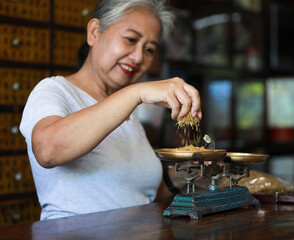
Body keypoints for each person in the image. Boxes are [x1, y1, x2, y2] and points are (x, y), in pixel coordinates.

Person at [20, 0, 202, 220]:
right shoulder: (54, 90)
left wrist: (191, 173)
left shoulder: (129, 112)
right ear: (95, 32)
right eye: (130, 40)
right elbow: (48, 150)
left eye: (149, 49)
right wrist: (137, 92)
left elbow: (134, 193)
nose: (138, 57)